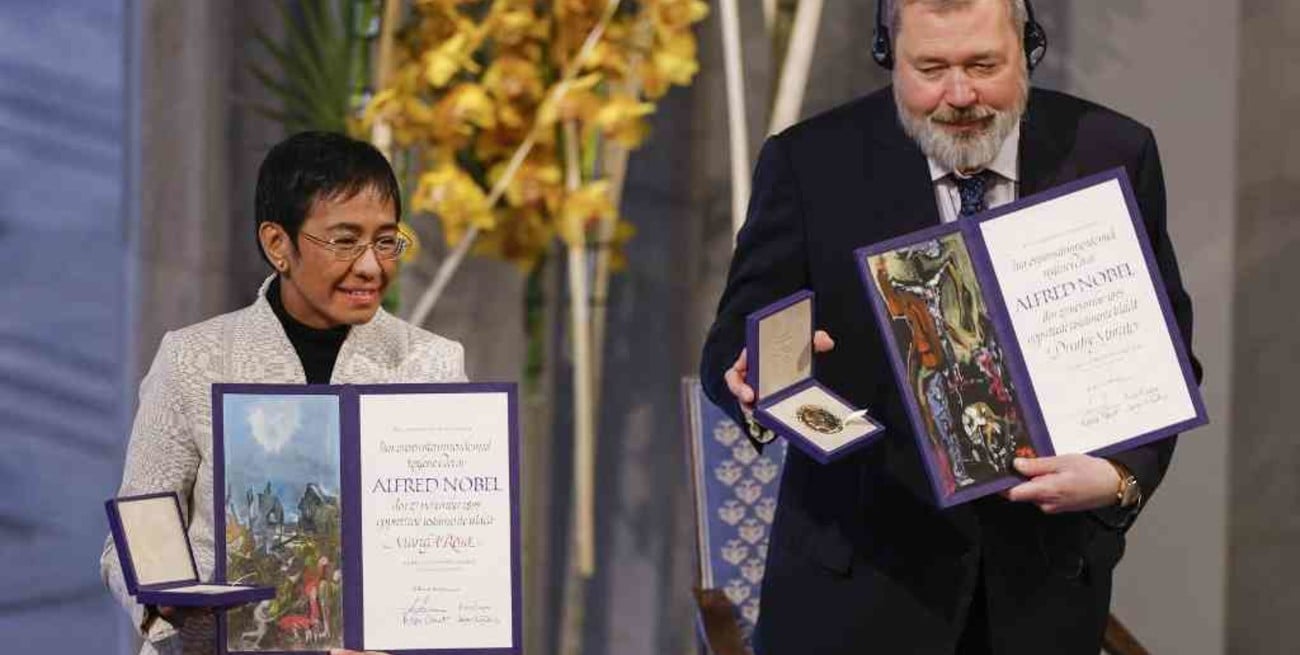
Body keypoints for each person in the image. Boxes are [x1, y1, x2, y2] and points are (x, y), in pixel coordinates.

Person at [699, 1, 1201, 653]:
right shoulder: (809, 163)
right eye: (930, 67)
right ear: (888, 56)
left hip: (1039, 599)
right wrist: (752, 376)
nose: (959, 94)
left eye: (984, 65)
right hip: (851, 597)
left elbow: (1163, 360)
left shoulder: (1113, 151)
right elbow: (728, 348)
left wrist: (1118, 479)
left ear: (1028, 48)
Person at [100, 131, 465, 655]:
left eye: (386, 241)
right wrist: (167, 600)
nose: (371, 266)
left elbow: (449, 550)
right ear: (278, 245)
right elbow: (129, 538)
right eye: (345, 241)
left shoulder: (430, 363)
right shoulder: (194, 358)